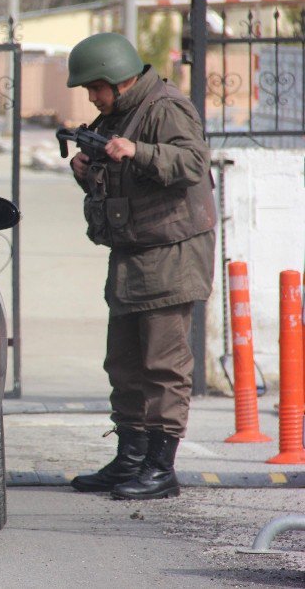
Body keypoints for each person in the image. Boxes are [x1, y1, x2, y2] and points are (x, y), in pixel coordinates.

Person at [64, 32, 216, 500]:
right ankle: (130, 458)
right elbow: (123, 185)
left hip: (171, 253)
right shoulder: (120, 114)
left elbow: (193, 162)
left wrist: (138, 151)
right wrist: (88, 172)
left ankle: (159, 467)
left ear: (115, 78)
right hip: (134, 253)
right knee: (125, 362)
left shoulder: (165, 107)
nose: (91, 97)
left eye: (94, 87)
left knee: (163, 365)